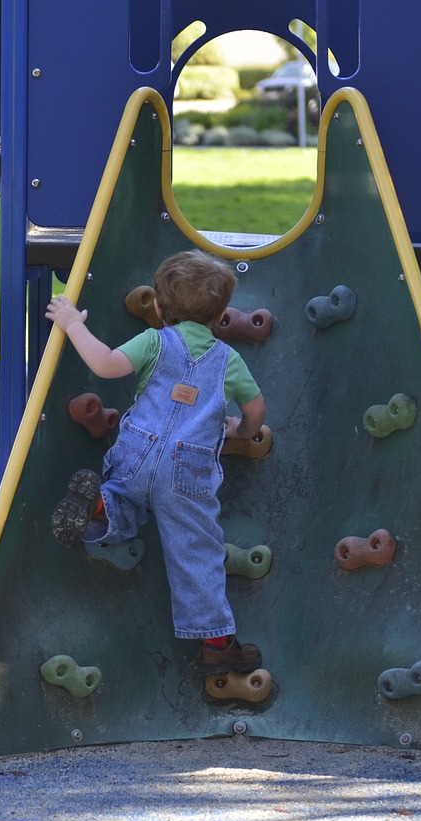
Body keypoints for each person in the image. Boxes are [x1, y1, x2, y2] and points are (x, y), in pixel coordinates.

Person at [46, 250, 266, 676]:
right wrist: (240, 430)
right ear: (221, 315)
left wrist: (73, 323)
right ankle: (218, 644)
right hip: (187, 472)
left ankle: (98, 508)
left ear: (160, 309)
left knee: (123, 499)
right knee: (195, 550)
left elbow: (105, 364)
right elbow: (256, 410)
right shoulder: (228, 361)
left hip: (136, 451)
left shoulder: (154, 341)